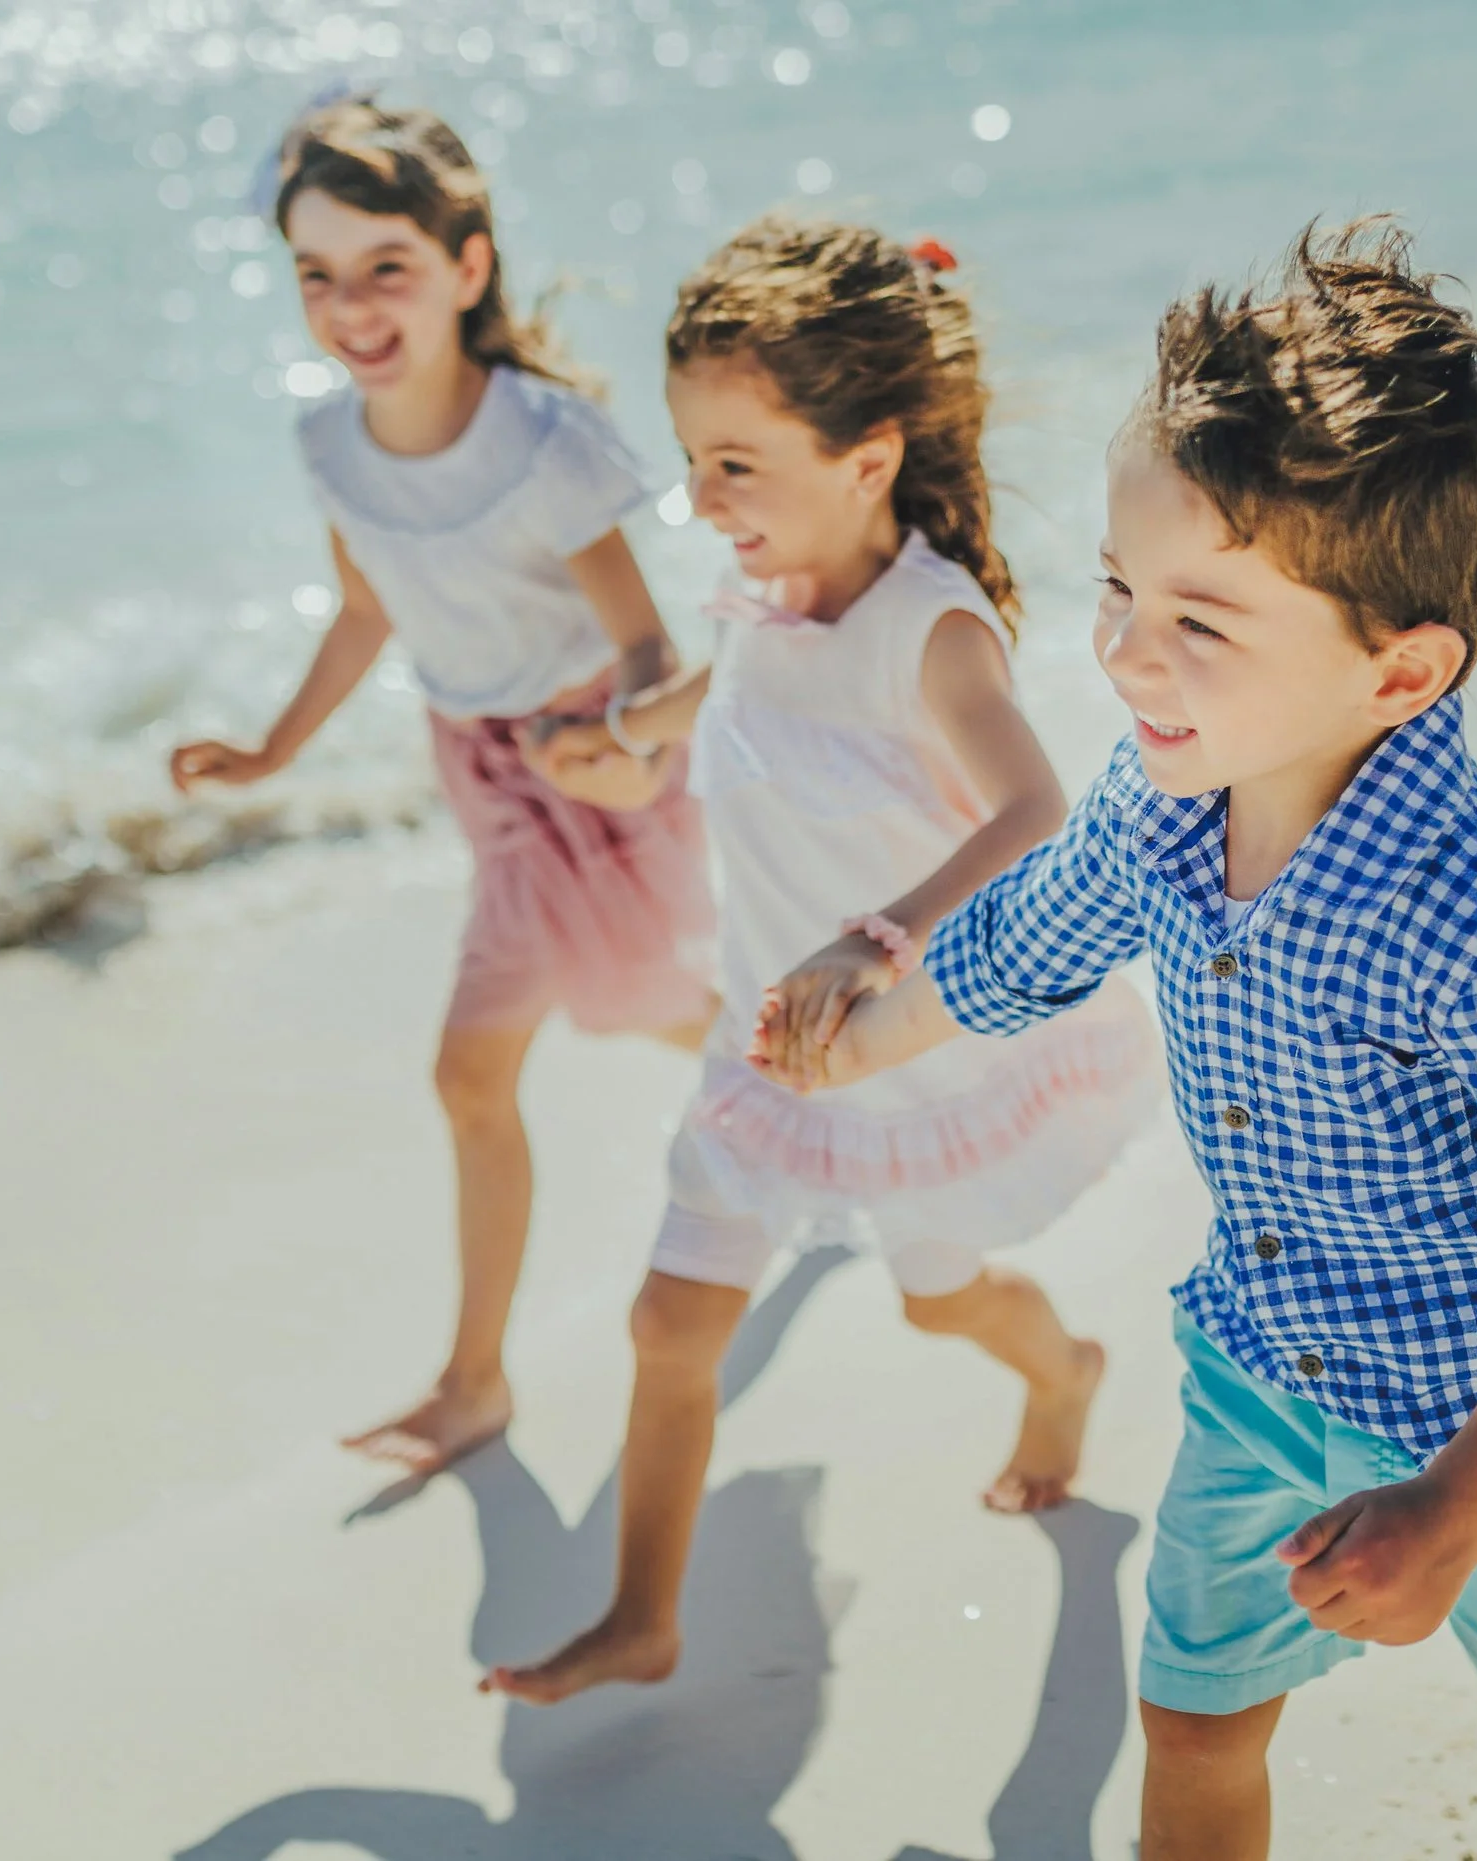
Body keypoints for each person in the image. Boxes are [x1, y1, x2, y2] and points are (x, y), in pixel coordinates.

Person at [755, 221, 1477, 1861]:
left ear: (1401, 669)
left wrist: (1457, 1515)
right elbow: (1033, 939)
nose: (1119, 651)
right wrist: (869, 1026)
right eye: (1116, 587)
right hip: (1260, 1371)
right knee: (1196, 1717)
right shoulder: (1162, 810)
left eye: (1201, 623)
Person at [480, 217, 1159, 1705]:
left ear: (866, 457)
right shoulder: (776, 591)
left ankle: (1065, 1373)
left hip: (898, 1056)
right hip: (763, 1054)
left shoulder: (932, 632)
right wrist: (621, 744)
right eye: (692, 458)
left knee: (939, 1298)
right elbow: (734, 691)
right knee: (673, 1324)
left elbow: (1038, 810)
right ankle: (642, 1617)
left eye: (736, 462)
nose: (699, 497)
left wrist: (878, 936)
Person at [170, 97, 717, 1476]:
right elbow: (367, 615)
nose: (351, 307)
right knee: (642, 1007)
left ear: (468, 268)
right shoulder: (332, 450)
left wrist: (629, 745)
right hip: (479, 770)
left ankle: (474, 1383)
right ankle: (797, 1074)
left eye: (385, 268)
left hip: (588, 765)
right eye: (317, 276)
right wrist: (272, 751)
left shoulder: (546, 440)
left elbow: (647, 636)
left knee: (476, 1068)